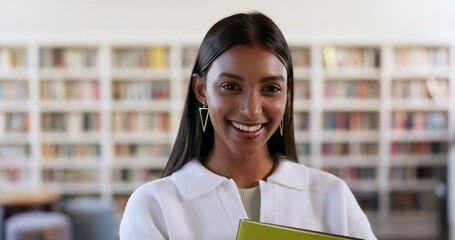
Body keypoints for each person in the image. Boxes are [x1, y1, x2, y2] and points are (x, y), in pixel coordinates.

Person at [119, 12, 377, 240]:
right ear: (202, 90)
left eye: (271, 89)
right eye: (230, 86)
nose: (252, 109)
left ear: (287, 94)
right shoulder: (153, 207)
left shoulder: (332, 196)